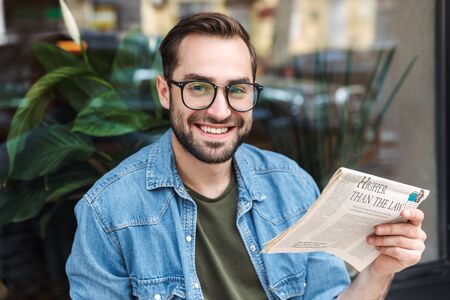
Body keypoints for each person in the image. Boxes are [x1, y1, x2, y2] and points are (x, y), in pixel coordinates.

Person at [66, 12, 427, 300]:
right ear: (165, 92)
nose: (220, 111)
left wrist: (381, 269)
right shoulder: (109, 212)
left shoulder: (292, 185)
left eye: (237, 89)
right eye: (198, 87)